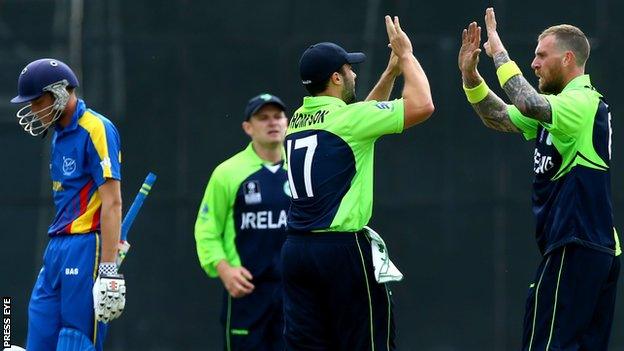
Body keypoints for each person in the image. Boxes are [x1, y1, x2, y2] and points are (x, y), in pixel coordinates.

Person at [458, 8, 620, 350]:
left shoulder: (581, 102)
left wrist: (499, 52)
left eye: (541, 55)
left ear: (568, 59)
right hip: (587, 247)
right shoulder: (560, 108)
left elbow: (528, 103)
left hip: (576, 243)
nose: (534, 63)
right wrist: (470, 77)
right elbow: (500, 115)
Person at [282, 16, 434, 350]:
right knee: (367, 342)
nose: (353, 73)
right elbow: (423, 105)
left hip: (297, 251)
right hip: (340, 252)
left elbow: (362, 118)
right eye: (349, 69)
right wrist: (406, 56)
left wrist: (389, 73)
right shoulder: (348, 121)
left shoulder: (297, 120)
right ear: (336, 78)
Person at [11, 58, 125, 351]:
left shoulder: (97, 128)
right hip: (56, 249)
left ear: (60, 92)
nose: (34, 111)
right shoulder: (59, 136)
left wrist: (109, 269)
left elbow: (112, 203)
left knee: (76, 342)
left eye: (37, 101)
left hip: (86, 246)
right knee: (39, 340)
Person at [194, 93, 290, 351]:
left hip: (294, 292)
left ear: (288, 123)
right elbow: (206, 228)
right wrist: (224, 269)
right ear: (248, 127)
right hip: (247, 292)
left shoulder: (300, 169)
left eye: (278, 116)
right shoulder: (228, 172)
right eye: (263, 118)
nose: (273, 123)